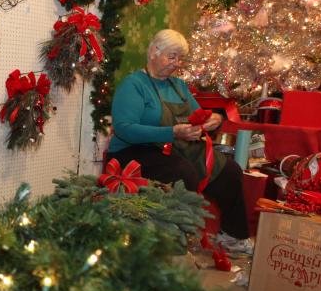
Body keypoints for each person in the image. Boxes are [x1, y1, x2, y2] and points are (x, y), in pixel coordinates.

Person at [105, 29, 252, 254]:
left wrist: (213, 120)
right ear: (154, 51)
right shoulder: (133, 84)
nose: (176, 63)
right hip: (134, 151)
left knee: (229, 170)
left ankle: (233, 236)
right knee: (183, 172)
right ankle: (177, 240)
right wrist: (172, 132)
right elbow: (125, 130)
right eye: (172, 56)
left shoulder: (178, 86)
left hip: (173, 146)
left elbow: (198, 115)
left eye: (179, 58)